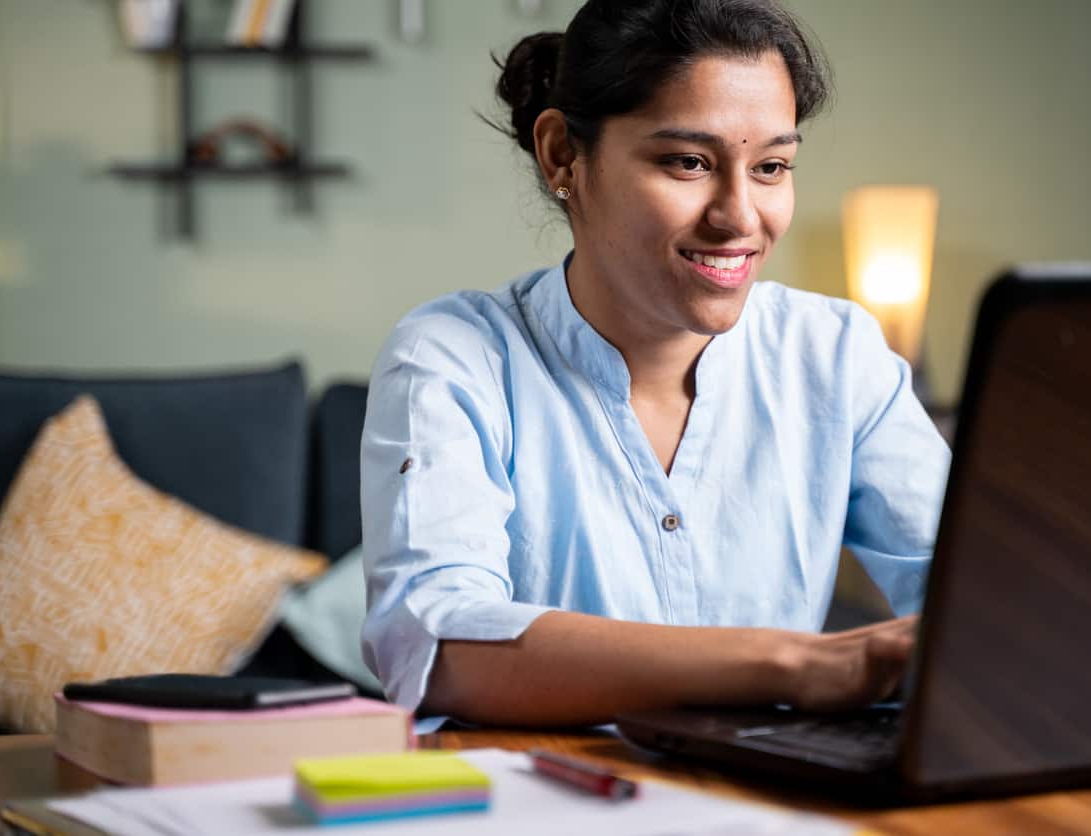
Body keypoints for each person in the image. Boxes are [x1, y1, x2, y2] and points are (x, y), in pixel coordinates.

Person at [361, 0, 950, 727]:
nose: (739, 216)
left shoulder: (835, 354)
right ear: (561, 157)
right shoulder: (454, 357)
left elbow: (978, 597)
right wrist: (795, 664)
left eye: (771, 166)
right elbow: (436, 645)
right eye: (689, 162)